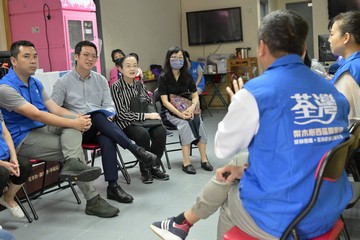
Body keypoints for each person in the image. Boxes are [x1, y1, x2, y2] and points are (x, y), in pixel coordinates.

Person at [150, 10, 352, 240]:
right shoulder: (332, 91)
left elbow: (224, 148)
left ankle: (182, 224)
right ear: (304, 49)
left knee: (228, 200)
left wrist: (238, 106)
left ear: (261, 48)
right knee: (237, 169)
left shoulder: (256, 92)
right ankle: (181, 223)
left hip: (291, 221)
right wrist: (246, 170)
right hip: (329, 207)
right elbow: (307, 152)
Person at [0, 40, 119, 218]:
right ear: (14, 61)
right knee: (71, 145)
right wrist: (72, 122)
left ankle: (72, 164)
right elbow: (36, 115)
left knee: (72, 127)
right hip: (22, 138)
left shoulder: (35, 83)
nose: (33, 61)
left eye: (35, 56)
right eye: (26, 57)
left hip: (42, 129)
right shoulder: (5, 88)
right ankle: (92, 199)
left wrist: (77, 118)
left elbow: (54, 109)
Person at [51, 41, 158, 198]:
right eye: (86, 55)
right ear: (76, 56)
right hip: (76, 130)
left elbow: (110, 106)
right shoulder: (63, 82)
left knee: (106, 133)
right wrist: (75, 117)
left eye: (94, 56)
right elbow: (54, 109)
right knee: (98, 117)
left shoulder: (100, 80)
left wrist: (107, 117)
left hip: (99, 126)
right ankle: (136, 150)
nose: (90, 59)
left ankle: (113, 186)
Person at [110, 55, 169, 184]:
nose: (132, 69)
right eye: (128, 66)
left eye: (135, 65)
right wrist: (146, 116)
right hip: (127, 123)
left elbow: (148, 103)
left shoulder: (140, 85)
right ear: (120, 69)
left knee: (161, 131)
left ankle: (154, 166)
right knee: (142, 134)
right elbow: (121, 114)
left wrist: (150, 114)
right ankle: (145, 169)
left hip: (143, 121)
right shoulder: (116, 87)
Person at [157, 46, 213, 175]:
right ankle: (186, 162)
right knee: (185, 123)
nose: (178, 60)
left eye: (180, 58)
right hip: (170, 113)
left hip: (187, 108)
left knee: (199, 122)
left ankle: (204, 159)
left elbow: (194, 95)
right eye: (174, 58)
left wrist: (192, 108)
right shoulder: (163, 77)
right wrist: (180, 114)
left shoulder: (187, 76)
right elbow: (165, 102)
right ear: (168, 59)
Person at [328, 10, 360, 119]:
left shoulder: (349, 71)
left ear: (346, 37)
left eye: (332, 34)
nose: (329, 39)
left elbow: (346, 119)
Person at [0, 111, 31, 219]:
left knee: (24, 165)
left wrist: (13, 157)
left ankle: (8, 198)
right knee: (2, 172)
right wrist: (3, 164)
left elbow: (5, 133)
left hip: (3, 154)